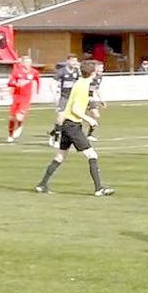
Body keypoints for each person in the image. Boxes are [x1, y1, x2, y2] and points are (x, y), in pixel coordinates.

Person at [35, 61, 114, 197]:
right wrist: (89, 119)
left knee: (60, 156)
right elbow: (75, 109)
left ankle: (42, 185)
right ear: (93, 73)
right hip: (72, 125)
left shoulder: (80, 83)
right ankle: (99, 188)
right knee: (92, 155)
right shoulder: (83, 86)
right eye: (97, 70)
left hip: (67, 123)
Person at [48, 55, 80, 148]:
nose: (74, 63)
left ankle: (52, 133)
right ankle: (56, 140)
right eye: (72, 61)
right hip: (64, 98)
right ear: (68, 61)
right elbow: (52, 83)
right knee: (61, 118)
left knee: (71, 120)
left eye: (76, 61)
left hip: (73, 99)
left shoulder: (77, 72)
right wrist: (55, 96)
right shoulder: (62, 71)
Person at [7, 56, 40, 143]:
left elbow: (38, 81)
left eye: (29, 62)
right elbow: (9, 83)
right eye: (26, 62)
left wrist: (37, 91)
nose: (28, 64)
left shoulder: (34, 72)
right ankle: (10, 136)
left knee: (19, 117)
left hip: (26, 97)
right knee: (11, 118)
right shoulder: (17, 71)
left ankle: (19, 126)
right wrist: (16, 84)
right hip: (16, 96)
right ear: (22, 63)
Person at [85, 61, 105, 141]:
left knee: (96, 115)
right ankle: (55, 132)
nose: (102, 69)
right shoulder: (89, 76)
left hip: (91, 98)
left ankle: (89, 134)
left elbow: (96, 88)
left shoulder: (100, 77)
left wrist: (101, 99)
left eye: (102, 67)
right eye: (100, 67)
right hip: (83, 98)